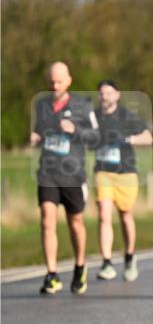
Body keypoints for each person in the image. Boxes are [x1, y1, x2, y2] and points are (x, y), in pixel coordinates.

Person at [32, 62, 99, 295]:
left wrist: (75, 131)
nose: (54, 86)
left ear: (69, 80)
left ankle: (80, 267)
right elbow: (40, 131)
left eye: (59, 81)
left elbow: (95, 136)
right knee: (47, 221)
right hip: (48, 172)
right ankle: (51, 274)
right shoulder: (41, 105)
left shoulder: (82, 105)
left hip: (72, 174)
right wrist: (36, 136)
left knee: (75, 223)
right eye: (51, 81)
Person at [93, 80, 153, 282]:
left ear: (117, 95)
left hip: (126, 173)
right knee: (104, 214)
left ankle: (129, 256)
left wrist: (128, 140)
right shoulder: (94, 117)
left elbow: (148, 137)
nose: (105, 97)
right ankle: (107, 262)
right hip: (103, 172)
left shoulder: (127, 116)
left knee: (125, 215)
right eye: (101, 94)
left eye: (108, 93)